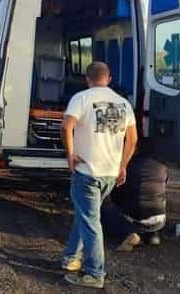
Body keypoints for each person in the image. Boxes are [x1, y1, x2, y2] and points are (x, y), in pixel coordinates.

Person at [60, 62, 138, 289]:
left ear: (87, 78)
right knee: (86, 215)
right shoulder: (124, 104)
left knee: (90, 221)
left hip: (87, 172)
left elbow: (66, 127)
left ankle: (95, 273)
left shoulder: (82, 98)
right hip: (110, 174)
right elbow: (132, 140)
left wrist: (71, 154)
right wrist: (122, 166)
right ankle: (71, 258)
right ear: (109, 78)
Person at [102, 156, 167, 251]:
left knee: (102, 215)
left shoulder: (127, 165)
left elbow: (116, 198)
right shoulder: (162, 164)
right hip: (160, 220)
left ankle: (128, 235)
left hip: (135, 219)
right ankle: (153, 235)